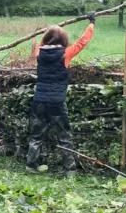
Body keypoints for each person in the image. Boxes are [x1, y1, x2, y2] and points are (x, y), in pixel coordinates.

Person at [27, 14, 97, 173]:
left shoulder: (39, 53)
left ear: (46, 39)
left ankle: (31, 165)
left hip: (39, 100)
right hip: (57, 102)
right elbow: (82, 42)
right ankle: (69, 170)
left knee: (36, 135)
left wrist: (49, 31)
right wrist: (91, 23)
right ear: (63, 39)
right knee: (64, 137)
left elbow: (41, 43)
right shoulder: (66, 53)